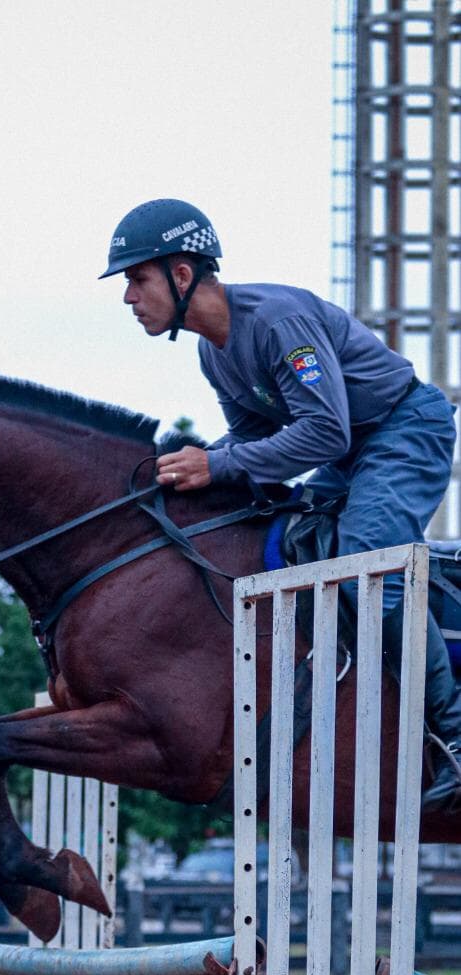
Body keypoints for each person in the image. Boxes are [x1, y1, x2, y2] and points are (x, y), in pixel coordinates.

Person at [100, 198, 460, 813]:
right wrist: (197, 468)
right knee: (287, 546)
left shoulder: (275, 323)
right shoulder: (213, 351)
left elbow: (325, 433)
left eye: (137, 279)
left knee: (365, 559)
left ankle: (454, 733)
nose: (129, 298)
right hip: (357, 450)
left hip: (405, 428)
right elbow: (250, 442)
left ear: (181, 275)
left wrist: (214, 463)